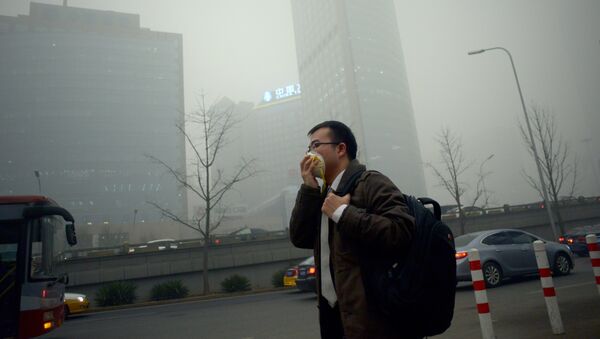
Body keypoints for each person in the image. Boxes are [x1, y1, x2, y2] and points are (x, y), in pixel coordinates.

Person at [289, 121, 416, 338]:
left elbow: (400, 231)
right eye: (308, 148)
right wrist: (309, 189)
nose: (310, 154)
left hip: (371, 316)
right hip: (331, 313)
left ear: (341, 149)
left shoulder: (370, 183)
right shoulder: (322, 194)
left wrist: (343, 213)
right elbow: (300, 238)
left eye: (316, 145)